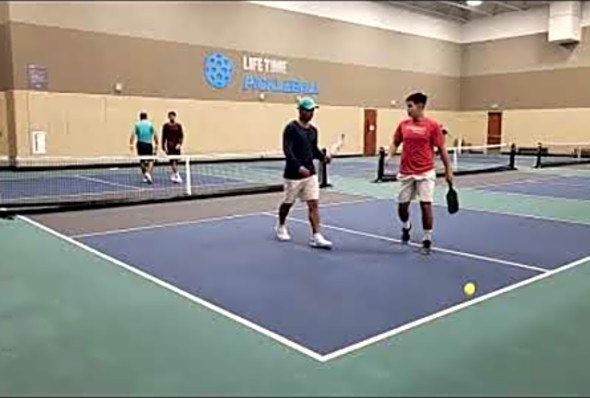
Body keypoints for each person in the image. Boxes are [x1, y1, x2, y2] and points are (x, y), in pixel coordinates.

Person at [387, 92, 453, 254]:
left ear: (421, 106)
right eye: (407, 106)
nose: (408, 110)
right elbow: (395, 142)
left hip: (425, 172)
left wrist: (448, 171)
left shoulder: (432, 126)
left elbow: (442, 150)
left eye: (410, 106)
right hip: (406, 172)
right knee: (402, 207)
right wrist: (390, 155)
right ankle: (406, 225)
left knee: (426, 205)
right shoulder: (403, 125)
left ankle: (427, 239)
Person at [275, 97, 333, 249]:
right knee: (288, 203)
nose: (311, 113)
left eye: (313, 110)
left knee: (313, 204)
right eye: (308, 110)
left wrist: (323, 158)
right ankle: (281, 225)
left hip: (310, 175)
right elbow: (288, 151)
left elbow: (313, 149)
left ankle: (317, 236)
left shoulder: (313, 131)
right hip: (293, 175)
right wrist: (298, 167)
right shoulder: (291, 128)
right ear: (300, 111)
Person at [129, 112, 158, 184]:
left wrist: (131, 144)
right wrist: (157, 143)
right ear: (146, 117)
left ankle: (145, 174)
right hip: (148, 144)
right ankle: (148, 173)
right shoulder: (150, 124)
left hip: (140, 144)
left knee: (142, 161)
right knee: (151, 160)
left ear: (140, 117)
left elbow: (133, 134)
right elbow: (155, 134)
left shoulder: (137, 124)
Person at [162, 111, 184, 183]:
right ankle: (177, 175)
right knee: (172, 161)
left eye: (173, 116)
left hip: (176, 146)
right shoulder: (166, 126)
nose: (171, 117)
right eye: (170, 116)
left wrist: (180, 144)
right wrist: (163, 146)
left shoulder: (178, 126)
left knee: (176, 161)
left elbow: (181, 136)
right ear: (168, 117)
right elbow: (163, 136)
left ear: (175, 117)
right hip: (169, 145)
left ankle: (174, 174)